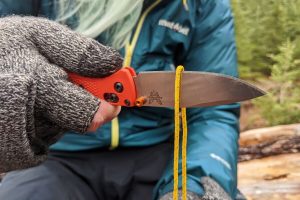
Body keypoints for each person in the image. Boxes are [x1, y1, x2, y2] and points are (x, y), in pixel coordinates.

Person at [0, 0, 244, 199]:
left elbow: (213, 115)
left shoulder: (202, 5)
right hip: (57, 156)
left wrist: (194, 185)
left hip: (161, 153)